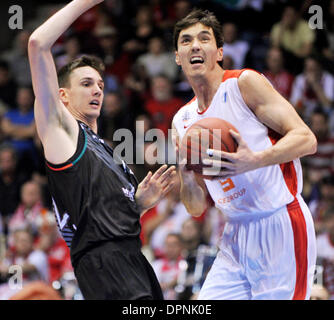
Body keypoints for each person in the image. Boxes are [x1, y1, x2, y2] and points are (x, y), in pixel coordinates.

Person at [28, 0, 176, 300]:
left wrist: (140, 204)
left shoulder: (107, 151)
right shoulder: (61, 133)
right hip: (103, 261)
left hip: (132, 256)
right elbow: (37, 43)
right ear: (63, 96)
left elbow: (105, 212)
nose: (97, 89)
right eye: (86, 84)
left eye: (100, 84)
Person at [171, 9, 317, 300]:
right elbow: (196, 207)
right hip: (235, 233)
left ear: (220, 52)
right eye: (186, 41)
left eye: (204, 39)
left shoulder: (243, 85)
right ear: (177, 56)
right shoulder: (181, 121)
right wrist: (186, 177)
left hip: (280, 223)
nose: (195, 45)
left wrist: (256, 159)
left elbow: (307, 139)